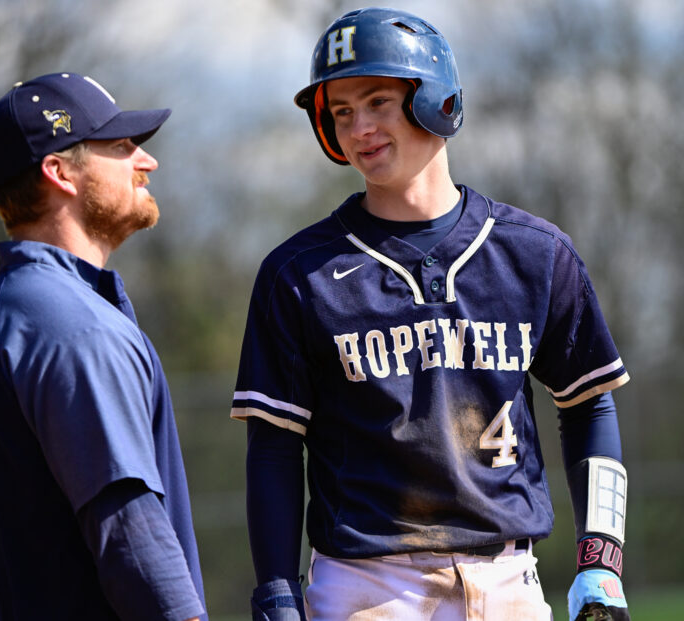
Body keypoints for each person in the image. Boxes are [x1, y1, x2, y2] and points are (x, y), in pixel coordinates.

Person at [231, 8, 630, 621]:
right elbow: (275, 447)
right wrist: (277, 593)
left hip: (507, 580)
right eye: (342, 112)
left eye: (378, 102)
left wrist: (602, 562)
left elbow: (589, 405)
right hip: (367, 587)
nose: (360, 127)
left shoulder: (534, 253)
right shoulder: (299, 272)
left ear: (436, 100)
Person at [0, 72, 206, 621]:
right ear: (60, 172)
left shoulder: (13, 309)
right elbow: (130, 529)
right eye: (121, 145)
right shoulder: (69, 324)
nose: (146, 161)